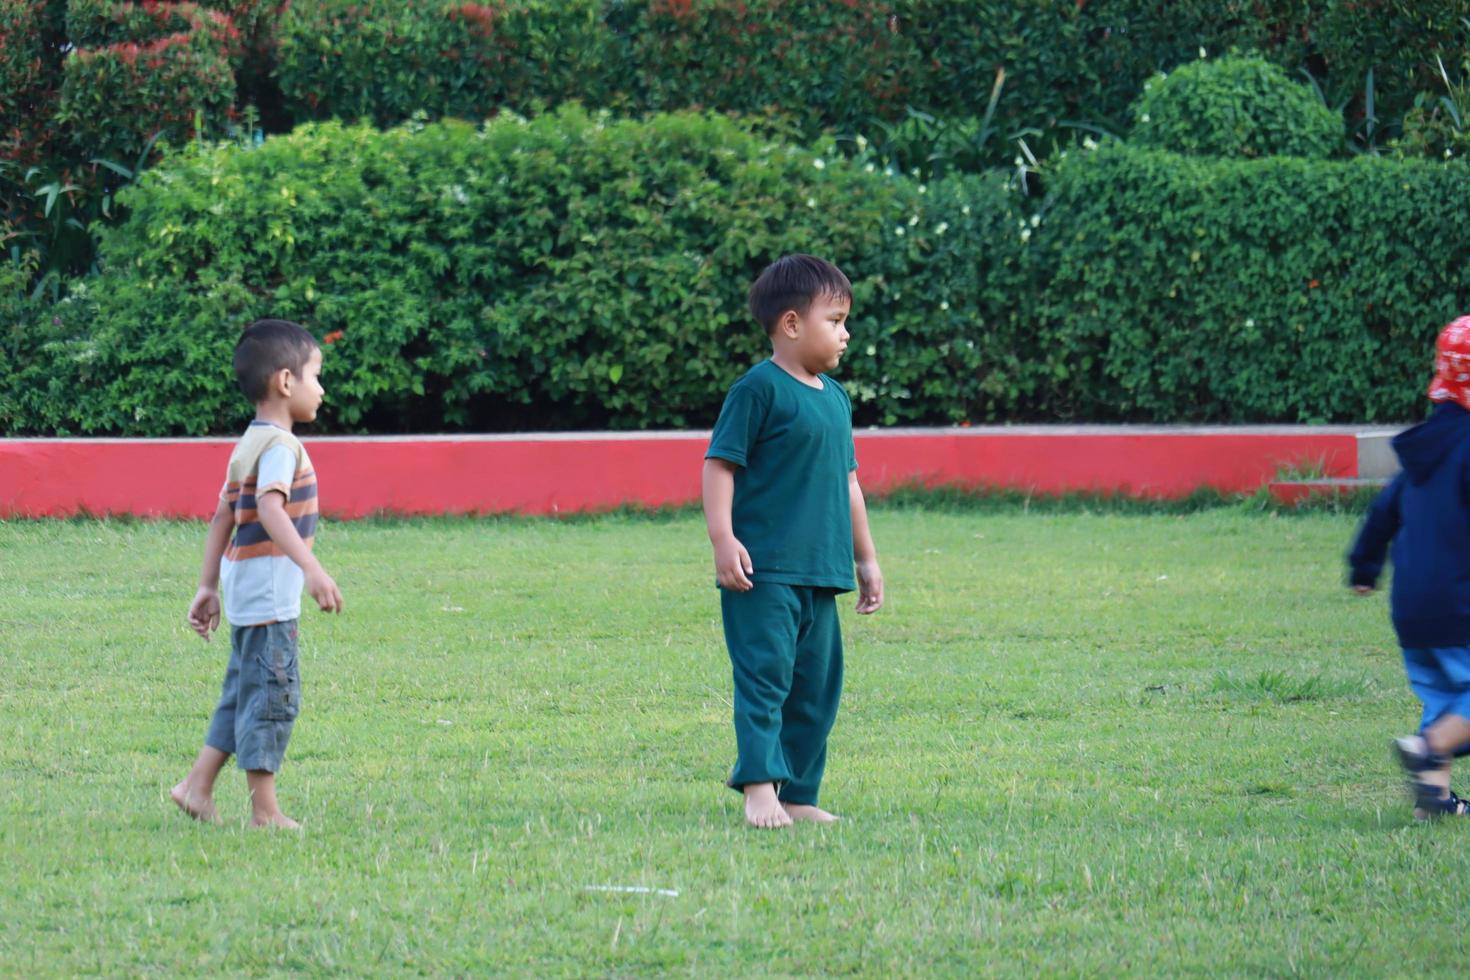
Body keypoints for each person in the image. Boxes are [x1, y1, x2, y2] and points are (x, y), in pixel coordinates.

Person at [702, 254, 884, 829]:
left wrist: (866, 558)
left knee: (815, 690)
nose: (845, 333)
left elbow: (849, 484)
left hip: (821, 573)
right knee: (766, 679)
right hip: (764, 572)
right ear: (790, 324)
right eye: (835, 319)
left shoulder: (835, 398)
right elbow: (719, 466)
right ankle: (760, 788)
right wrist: (723, 539)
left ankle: (799, 793)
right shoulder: (757, 390)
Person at [170, 319, 344, 829]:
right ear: (286, 382)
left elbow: (222, 515)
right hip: (269, 599)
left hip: (246, 594)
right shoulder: (281, 447)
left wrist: (207, 586)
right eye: (316, 376)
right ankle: (264, 812)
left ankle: (196, 787)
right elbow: (270, 508)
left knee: (242, 693)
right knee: (271, 698)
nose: (322, 389)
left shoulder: (249, 441)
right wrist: (311, 568)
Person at [1349, 315, 1470, 818]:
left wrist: (1363, 567)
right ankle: (1432, 746)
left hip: (1411, 606)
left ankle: (1434, 800)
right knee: (1450, 716)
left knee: (1444, 692)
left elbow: (1382, 512)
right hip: (1459, 601)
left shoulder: (1425, 448)